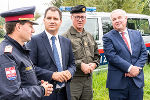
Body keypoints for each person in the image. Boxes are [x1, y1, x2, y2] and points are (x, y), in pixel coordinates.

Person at [0, 6, 53, 100]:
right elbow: (12, 95)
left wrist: (39, 85)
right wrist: (41, 90)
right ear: (18, 27)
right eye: (30, 26)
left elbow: (24, 80)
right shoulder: (7, 55)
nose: (33, 30)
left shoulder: (20, 49)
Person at [26, 6, 76, 100]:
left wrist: (70, 72)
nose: (52, 21)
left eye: (55, 19)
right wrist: (52, 75)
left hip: (65, 93)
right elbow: (30, 68)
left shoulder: (66, 42)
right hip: (45, 95)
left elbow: (72, 64)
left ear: (60, 21)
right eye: (49, 18)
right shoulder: (34, 41)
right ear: (44, 20)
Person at [102, 9, 148, 100]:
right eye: (114, 19)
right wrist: (130, 68)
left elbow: (143, 53)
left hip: (136, 82)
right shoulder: (107, 37)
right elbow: (112, 56)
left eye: (119, 18)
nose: (117, 21)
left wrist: (137, 69)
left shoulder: (137, 34)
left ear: (126, 18)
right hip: (117, 85)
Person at [62, 5, 100, 100]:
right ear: (72, 18)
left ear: (85, 18)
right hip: (73, 80)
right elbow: (63, 60)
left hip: (88, 80)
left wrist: (94, 64)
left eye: (82, 17)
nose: (80, 20)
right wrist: (80, 64)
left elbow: (97, 55)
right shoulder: (65, 38)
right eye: (77, 17)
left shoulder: (90, 36)